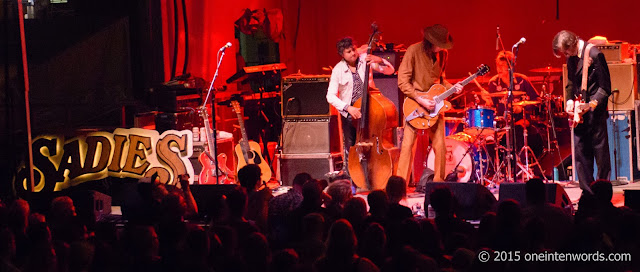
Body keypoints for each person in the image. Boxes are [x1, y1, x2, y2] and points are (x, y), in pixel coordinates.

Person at [396, 24, 463, 182]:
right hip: (416, 105)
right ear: (430, 41)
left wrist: (452, 87)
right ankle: (400, 186)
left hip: (435, 106)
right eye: (440, 45)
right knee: (407, 147)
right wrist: (420, 99)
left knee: (440, 147)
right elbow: (402, 81)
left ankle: (438, 185)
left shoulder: (443, 54)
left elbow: (440, 80)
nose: (442, 48)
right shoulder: (413, 51)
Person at [326, 37, 395, 181]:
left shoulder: (365, 60)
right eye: (348, 52)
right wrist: (348, 108)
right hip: (351, 112)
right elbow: (330, 96)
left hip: (370, 108)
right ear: (342, 55)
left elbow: (390, 70)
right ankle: (354, 178)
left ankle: (378, 174)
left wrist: (380, 60)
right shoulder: (338, 69)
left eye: (354, 49)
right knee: (351, 146)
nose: (353, 53)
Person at [552, 30, 611, 194]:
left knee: (601, 157)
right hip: (580, 115)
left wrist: (590, 105)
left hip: (594, 113)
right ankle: (587, 193)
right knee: (581, 157)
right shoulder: (571, 56)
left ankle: (602, 194)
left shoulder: (595, 54)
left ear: (571, 45)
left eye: (565, 51)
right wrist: (570, 100)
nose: (565, 54)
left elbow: (605, 88)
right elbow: (571, 81)